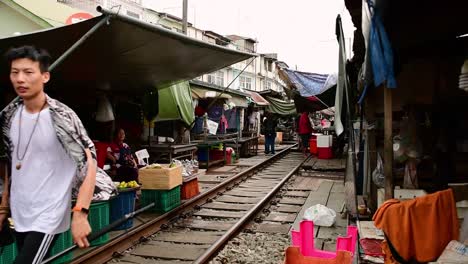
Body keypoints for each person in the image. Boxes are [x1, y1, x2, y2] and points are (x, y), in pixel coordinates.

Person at [0, 46, 96, 263]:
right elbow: (10, 164)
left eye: (28, 72)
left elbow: (89, 162)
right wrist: (4, 207)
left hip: (48, 212)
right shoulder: (8, 115)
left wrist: (80, 213)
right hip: (20, 209)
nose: (20, 79)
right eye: (15, 73)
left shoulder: (62, 117)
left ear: (45, 76)